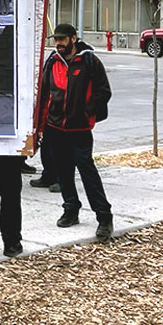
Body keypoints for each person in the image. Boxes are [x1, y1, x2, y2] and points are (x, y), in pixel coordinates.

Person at [35, 23, 115, 241]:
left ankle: (104, 216)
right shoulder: (52, 61)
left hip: (79, 129)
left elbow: (104, 92)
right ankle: (71, 208)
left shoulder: (89, 61)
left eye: (62, 39)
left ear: (73, 38)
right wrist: (40, 127)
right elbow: (44, 94)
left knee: (87, 172)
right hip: (55, 128)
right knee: (63, 172)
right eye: (56, 40)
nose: (58, 43)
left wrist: (87, 112)